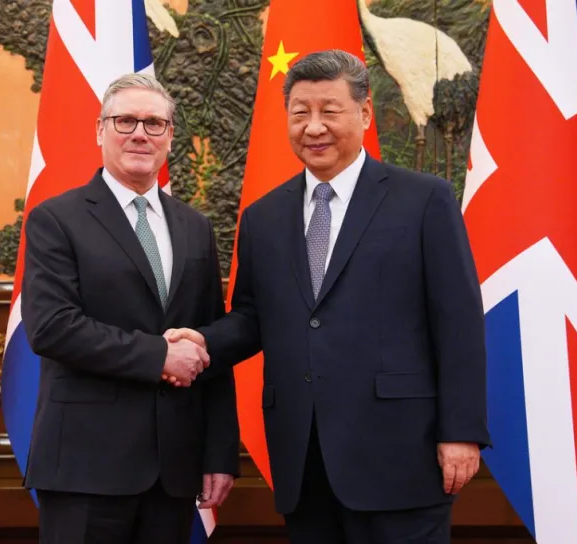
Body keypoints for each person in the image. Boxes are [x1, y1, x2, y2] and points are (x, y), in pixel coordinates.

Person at [166, 50, 491, 543]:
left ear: (363, 114)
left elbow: (459, 322)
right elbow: (254, 316)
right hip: (304, 457)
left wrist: (461, 431)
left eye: (329, 111)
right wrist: (201, 344)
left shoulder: (424, 200)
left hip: (402, 453)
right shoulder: (264, 216)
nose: (313, 127)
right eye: (300, 113)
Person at [20, 73, 240, 543]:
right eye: (125, 121)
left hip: (174, 470)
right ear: (100, 130)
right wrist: (159, 355)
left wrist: (220, 453)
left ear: (169, 137)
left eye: (154, 123)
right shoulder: (56, 219)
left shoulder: (194, 227)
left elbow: (210, 339)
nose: (140, 133)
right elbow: (52, 328)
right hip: (86, 467)